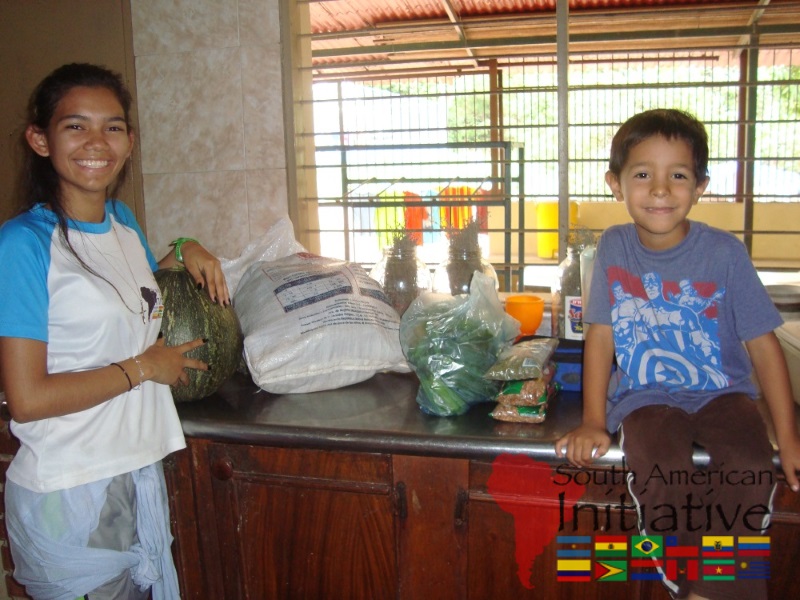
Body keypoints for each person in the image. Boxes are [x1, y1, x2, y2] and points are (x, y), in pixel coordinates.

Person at [0, 63, 230, 599]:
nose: (97, 142)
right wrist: (144, 368)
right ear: (40, 139)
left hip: (134, 469)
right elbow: (27, 399)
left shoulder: (123, 222)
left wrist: (185, 246)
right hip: (71, 487)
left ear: (129, 141)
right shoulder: (22, 246)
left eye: (114, 126)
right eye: (75, 126)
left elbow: (138, 292)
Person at [555, 108, 800, 600]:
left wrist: (789, 437)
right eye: (643, 174)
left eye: (679, 175)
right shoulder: (613, 246)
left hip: (724, 394)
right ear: (616, 184)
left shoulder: (725, 253)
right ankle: (691, 581)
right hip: (646, 397)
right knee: (660, 466)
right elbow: (600, 335)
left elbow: (764, 346)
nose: (661, 189)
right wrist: (593, 420)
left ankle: (711, 588)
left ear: (701, 185)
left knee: (750, 466)